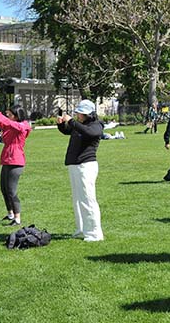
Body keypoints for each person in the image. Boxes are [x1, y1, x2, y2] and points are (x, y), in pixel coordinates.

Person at [57, 99, 104, 242]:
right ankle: (81, 229)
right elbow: (68, 131)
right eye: (78, 113)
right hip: (74, 164)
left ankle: (94, 233)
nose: (79, 116)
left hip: (86, 166)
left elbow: (89, 133)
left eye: (81, 114)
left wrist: (71, 121)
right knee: (77, 199)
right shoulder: (80, 125)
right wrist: (61, 124)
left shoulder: (96, 125)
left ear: (89, 114)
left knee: (88, 199)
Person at [0, 105, 32, 226]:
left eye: (10, 115)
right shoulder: (12, 126)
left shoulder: (22, 126)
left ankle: (17, 218)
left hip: (16, 161)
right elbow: (1, 122)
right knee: (4, 189)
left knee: (11, 191)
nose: (8, 117)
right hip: (7, 159)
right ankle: (10, 213)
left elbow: (7, 122)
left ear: (17, 116)